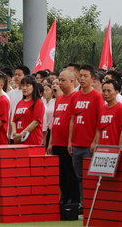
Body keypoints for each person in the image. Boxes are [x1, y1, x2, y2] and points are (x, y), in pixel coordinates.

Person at [67, 65, 104, 201]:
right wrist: (70, 141)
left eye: (85, 76)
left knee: (90, 177)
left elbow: (100, 122)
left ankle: (89, 204)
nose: (82, 79)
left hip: (89, 145)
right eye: (80, 76)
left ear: (92, 78)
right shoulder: (75, 96)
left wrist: (95, 141)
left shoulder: (97, 97)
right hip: (76, 144)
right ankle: (83, 204)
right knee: (79, 177)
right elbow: (72, 120)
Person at [47, 68, 79, 205]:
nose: (59, 83)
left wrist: (71, 142)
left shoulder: (76, 97)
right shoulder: (59, 99)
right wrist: (50, 143)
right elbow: (55, 121)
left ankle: (74, 199)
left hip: (68, 143)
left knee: (70, 173)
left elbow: (73, 120)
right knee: (60, 174)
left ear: (72, 81)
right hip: (57, 142)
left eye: (63, 80)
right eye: (59, 80)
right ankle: (65, 196)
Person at [12, 76, 45, 145]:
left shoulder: (38, 102)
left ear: (34, 87)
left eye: (27, 85)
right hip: (18, 140)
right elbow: (14, 121)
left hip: (32, 140)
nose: (24, 88)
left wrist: (22, 134)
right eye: (23, 85)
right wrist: (15, 134)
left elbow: (35, 122)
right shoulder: (20, 102)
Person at [96, 79, 122, 147]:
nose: (106, 93)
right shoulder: (102, 109)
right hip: (102, 149)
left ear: (116, 92)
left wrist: (120, 150)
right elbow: (99, 130)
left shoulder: (121, 109)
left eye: (109, 91)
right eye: (104, 91)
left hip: (114, 149)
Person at [42, 78, 55, 147]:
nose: (45, 92)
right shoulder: (42, 102)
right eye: (44, 90)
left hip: (50, 130)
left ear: (52, 92)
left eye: (47, 90)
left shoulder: (54, 102)